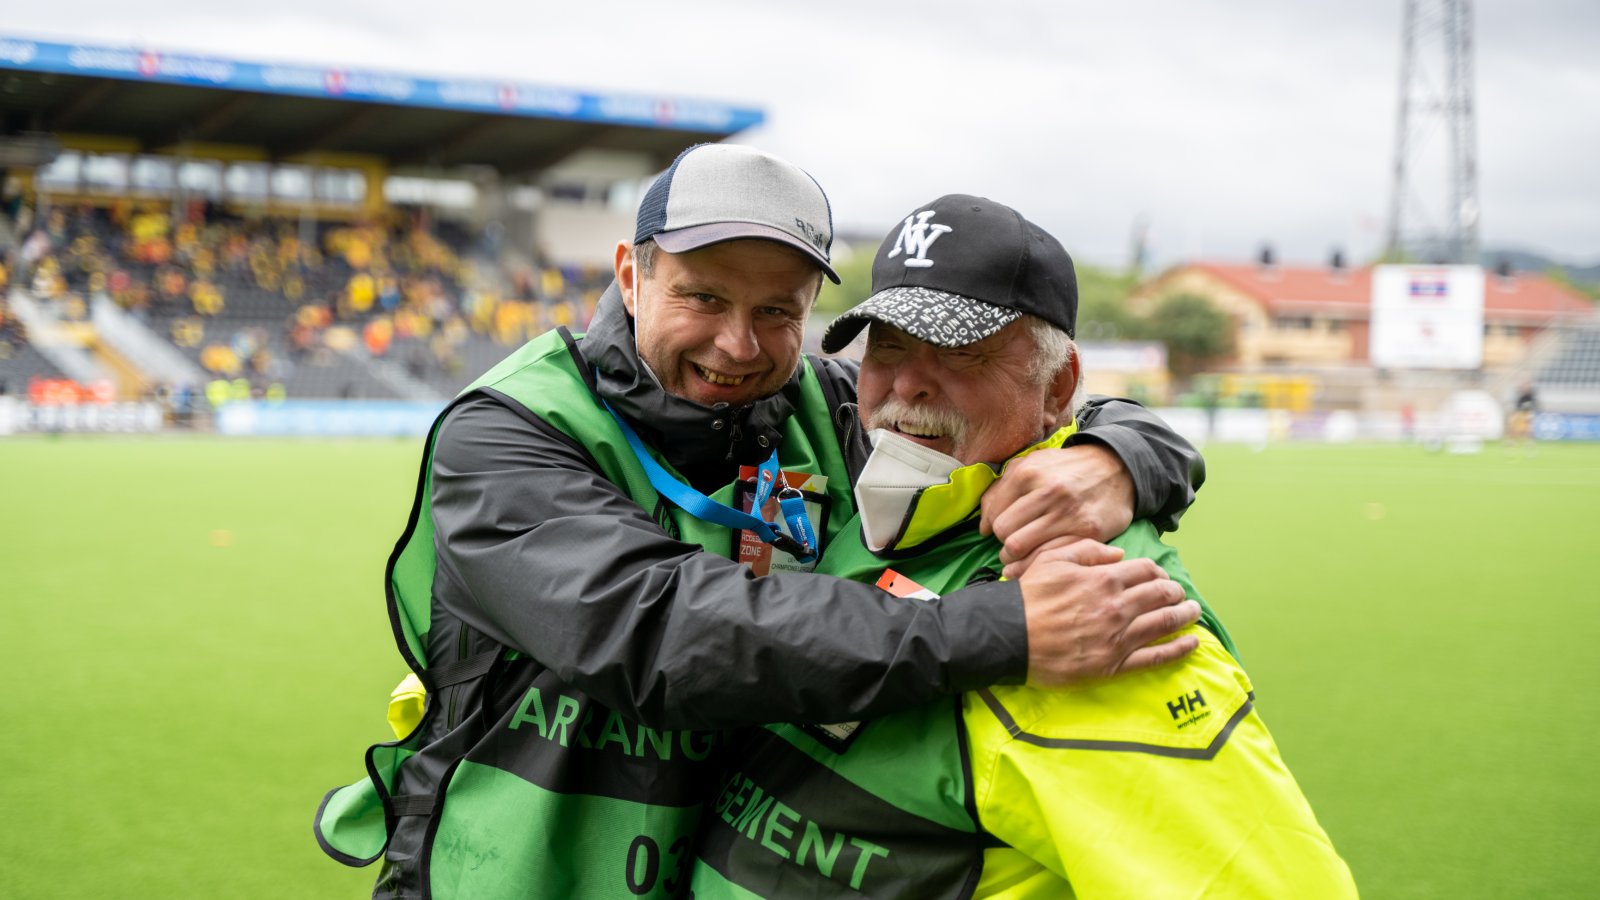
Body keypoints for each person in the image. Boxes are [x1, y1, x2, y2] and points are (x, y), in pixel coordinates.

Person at [315, 147, 1208, 899]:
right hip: (498, 875)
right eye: (703, 299)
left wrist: (1118, 458)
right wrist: (1004, 629)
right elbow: (657, 630)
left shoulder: (814, 405)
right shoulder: (509, 430)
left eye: (777, 311)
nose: (739, 347)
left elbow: (997, 421)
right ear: (633, 276)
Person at [690, 194, 1355, 898]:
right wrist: (1127, 452)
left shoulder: (1100, 609)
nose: (907, 381)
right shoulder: (888, 488)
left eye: (958, 351)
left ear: (1058, 385)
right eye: (887, 346)